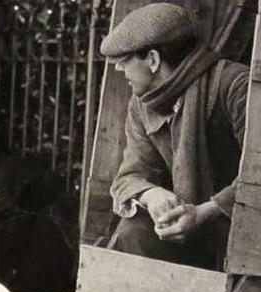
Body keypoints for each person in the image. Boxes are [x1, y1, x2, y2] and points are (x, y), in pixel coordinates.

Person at [103, 3, 248, 270]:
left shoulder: (235, 87)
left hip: (242, 233)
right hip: (187, 233)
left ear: (154, 60)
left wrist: (205, 212)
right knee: (132, 232)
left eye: (124, 61)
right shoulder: (142, 103)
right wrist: (151, 194)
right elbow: (128, 177)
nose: (118, 70)